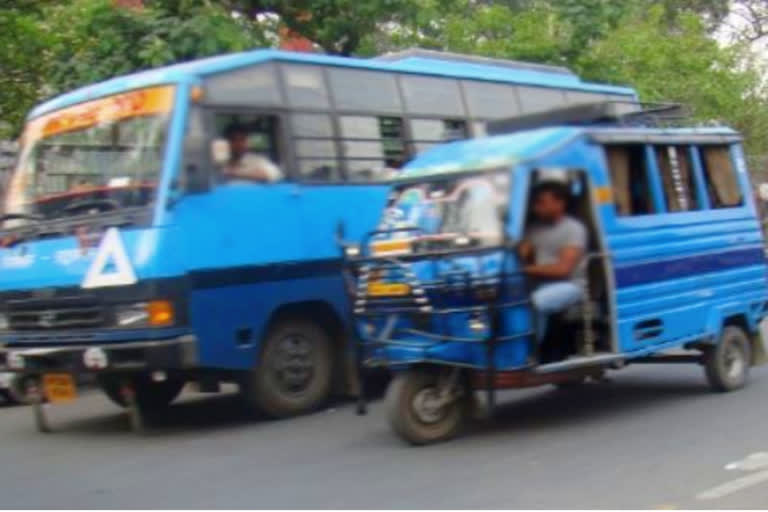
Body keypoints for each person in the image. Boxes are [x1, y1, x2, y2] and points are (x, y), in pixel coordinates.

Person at [518, 180, 587, 343]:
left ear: (560, 203)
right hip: (538, 284)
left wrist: (525, 270)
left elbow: (562, 270)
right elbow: (522, 253)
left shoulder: (573, 229)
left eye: (542, 203)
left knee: (535, 303)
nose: (536, 208)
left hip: (570, 285)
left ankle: (532, 350)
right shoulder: (534, 228)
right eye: (535, 203)